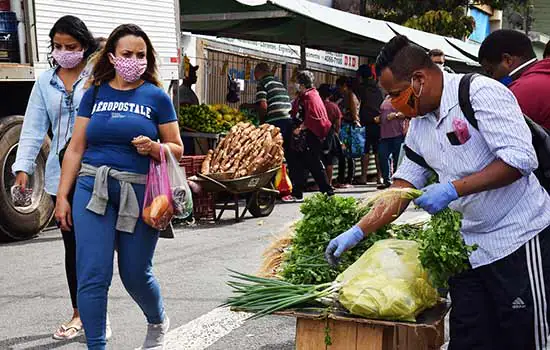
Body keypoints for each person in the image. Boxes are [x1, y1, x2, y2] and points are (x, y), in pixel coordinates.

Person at [325, 35, 550, 350]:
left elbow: (520, 160)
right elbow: (402, 187)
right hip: (468, 250)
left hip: (517, 238)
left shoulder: (479, 93)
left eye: (395, 94)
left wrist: (452, 189)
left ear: (418, 79)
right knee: (469, 338)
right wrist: (359, 231)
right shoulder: (419, 126)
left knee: (522, 337)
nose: (392, 104)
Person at [55, 24, 183, 350]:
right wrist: (61, 198)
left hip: (140, 192)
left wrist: (155, 148)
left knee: (135, 273)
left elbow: (177, 147)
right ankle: (96, 346)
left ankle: (157, 321)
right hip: (91, 187)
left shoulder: (156, 96)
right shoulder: (95, 92)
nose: (134, 60)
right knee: (93, 275)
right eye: (127, 54)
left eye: (141, 55)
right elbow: (75, 148)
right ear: (112, 56)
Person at [11, 15, 102, 341]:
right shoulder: (45, 82)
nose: (64, 52)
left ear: (84, 46)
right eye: (58, 46)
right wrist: (22, 167)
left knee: (96, 248)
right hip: (59, 178)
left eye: (71, 47)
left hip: (97, 173)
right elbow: (34, 127)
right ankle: (80, 313)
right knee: (73, 246)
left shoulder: (98, 77)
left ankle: (96, 312)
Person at [479, 29, 550, 129]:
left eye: (491, 72)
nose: (493, 79)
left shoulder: (520, 91)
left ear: (507, 60)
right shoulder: (544, 74)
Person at [284, 71, 333, 202]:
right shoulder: (309, 95)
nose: (295, 85)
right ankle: (298, 192)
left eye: (297, 82)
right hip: (306, 136)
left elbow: (313, 116)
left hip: (310, 135)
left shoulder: (309, 96)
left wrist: (299, 129)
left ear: (302, 84)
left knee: (313, 163)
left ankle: (327, 191)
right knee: (299, 163)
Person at [356, 64, 384, 185]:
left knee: (366, 150)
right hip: (379, 122)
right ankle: (380, 176)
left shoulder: (362, 88)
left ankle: (363, 177)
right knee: (377, 151)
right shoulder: (379, 89)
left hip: (367, 123)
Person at [334, 76, 360, 188]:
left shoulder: (350, 95)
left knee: (347, 154)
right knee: (344, 154)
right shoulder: (344, 96)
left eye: (339, 86)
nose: (338, 89)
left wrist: (355, 121)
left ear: (344, 86)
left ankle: (348, 179)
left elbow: (354, 112)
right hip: (345, 127)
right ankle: (343, 178)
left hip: (348, 128)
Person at [376, 96, 405, 189]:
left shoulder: (401, 97)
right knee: (382, 156)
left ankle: (397, 181)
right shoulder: (386, 98)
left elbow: (408, 113)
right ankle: (386, 180)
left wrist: (395, 115)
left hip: (397, 133)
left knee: (397, 158)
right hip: (384, 134)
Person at [318, 83, 343, 185]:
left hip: (317, 135)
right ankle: (329, 183)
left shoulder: (317, 105)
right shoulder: (334, 107)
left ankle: (319, 183)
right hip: (330, 136)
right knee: (329, 161)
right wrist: (336, 135)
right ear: (330, 95)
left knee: (318, 160)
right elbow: (338, 124)